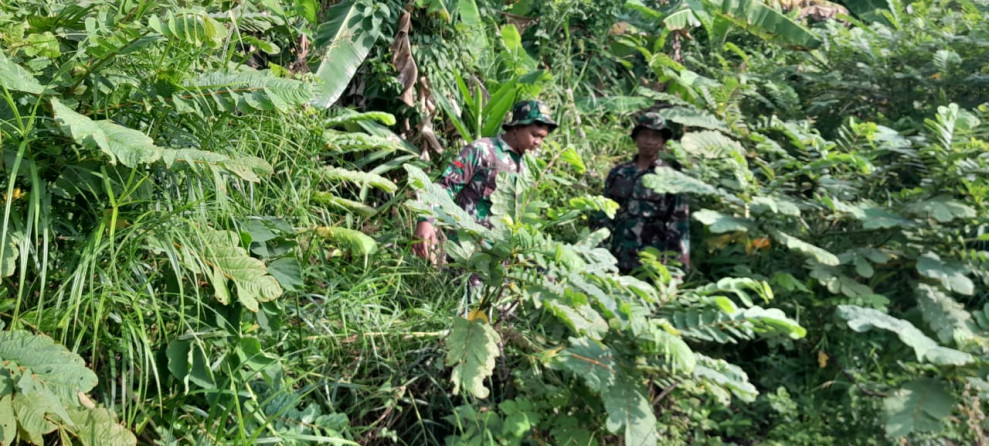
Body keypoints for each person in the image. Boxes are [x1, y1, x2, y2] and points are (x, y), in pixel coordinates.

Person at [412, 100, 558, 261]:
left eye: (542, 138)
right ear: (516, 128)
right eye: (535, 135)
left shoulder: (526, 167)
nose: (538, 142)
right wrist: (426, 220)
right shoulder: (482, 151)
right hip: (467, 250)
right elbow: (445, 186)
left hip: (499, 258)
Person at [597, 112, 690, 275]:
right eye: (645, 135)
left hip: (650, 261)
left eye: (655, 136)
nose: (649, 141)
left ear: (662, 142)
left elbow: (679, 224)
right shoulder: (619, 173)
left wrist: (676, 269)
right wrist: (596, 251)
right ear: (636, 138)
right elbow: (603, 215)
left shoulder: (671, 178)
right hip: (615, 257)